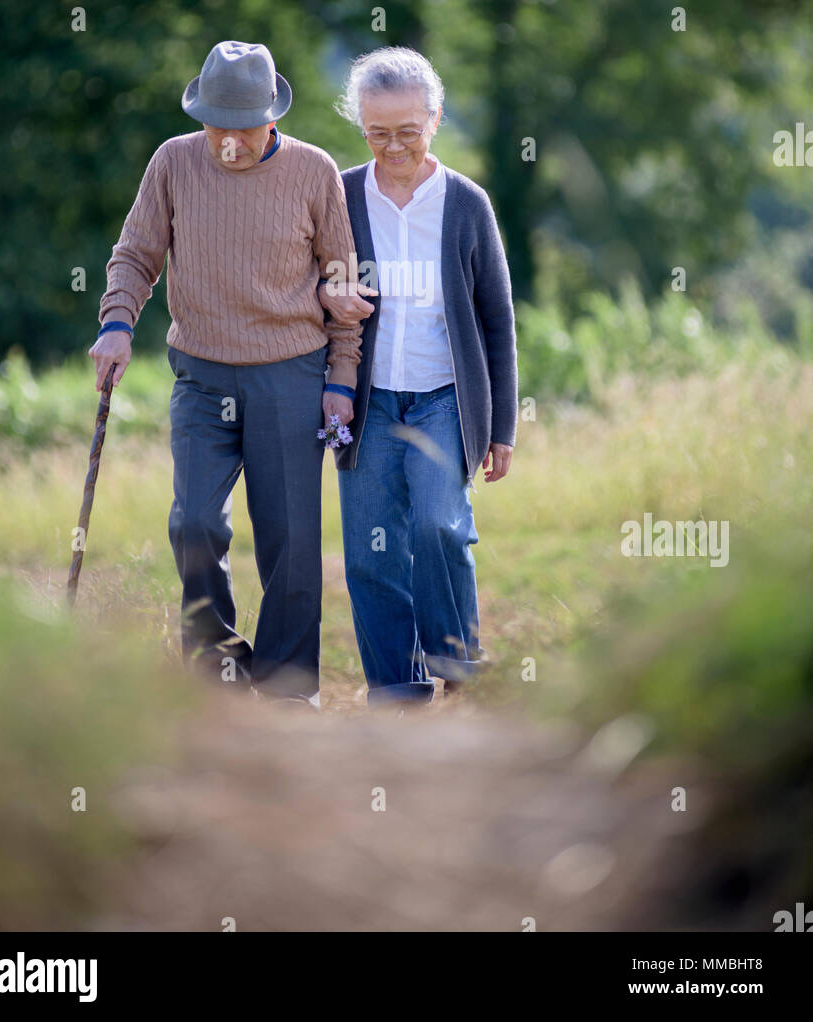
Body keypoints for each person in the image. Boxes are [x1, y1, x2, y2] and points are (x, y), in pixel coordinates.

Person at [89, 40, 361, 705]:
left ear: (272, 118)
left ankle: (289, 688)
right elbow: (135, 254)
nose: (229, 140)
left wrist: (341, 376)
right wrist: (117, 323)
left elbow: (343, 276)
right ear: (200, 114)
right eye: (217, 124)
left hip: (290, 375)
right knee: (194, 526)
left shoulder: (313, 170)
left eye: (243, 126)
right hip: (202, 376)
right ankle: (217, 674)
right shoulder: (174, 162)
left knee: (291, 542)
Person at [319, 47, 517, 707]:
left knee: (438, 523)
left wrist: (502, 426)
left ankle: (454, 658)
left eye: (408, 129)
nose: (393, 145)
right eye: (378, 132)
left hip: (443, 400)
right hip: (367, 400)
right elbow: (310, 279)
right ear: (360, 126)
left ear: (434, 118)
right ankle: (395, 689)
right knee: (372, 553)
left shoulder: (466, 203)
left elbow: (496, 320)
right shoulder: (340, 194)